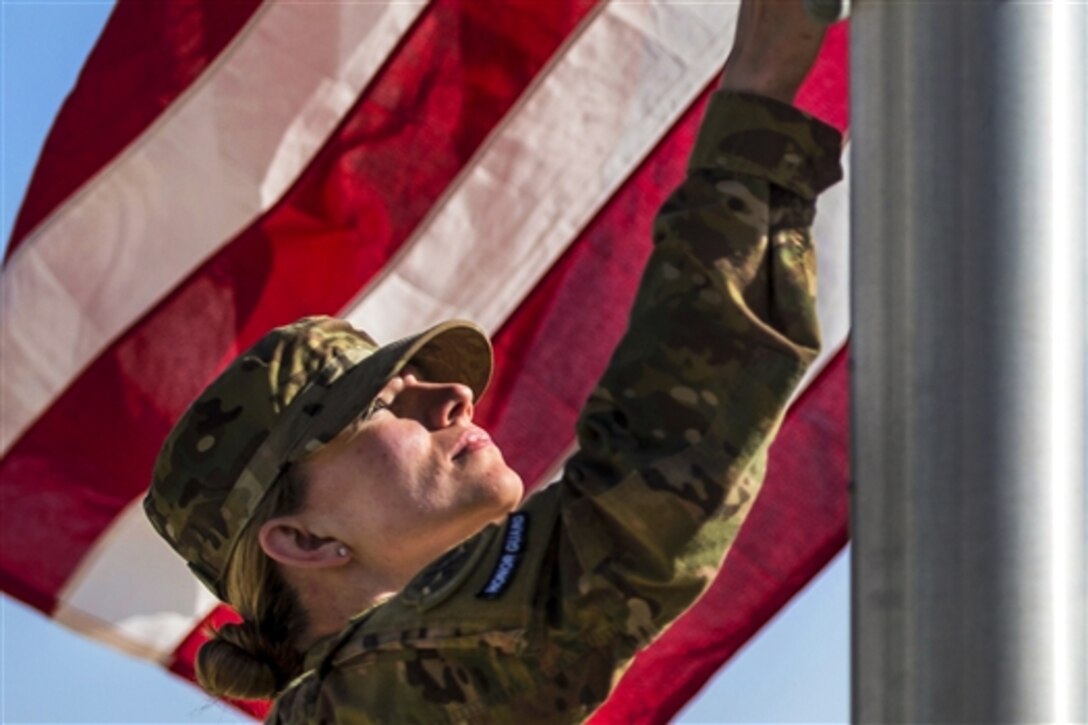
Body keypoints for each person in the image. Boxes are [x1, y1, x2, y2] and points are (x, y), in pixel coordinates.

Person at [143, 1, 844, 721]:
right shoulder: (370, 702)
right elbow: (636, 500)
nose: (454, 395)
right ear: (305, 539)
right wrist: (757, 91)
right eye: (383, 404)